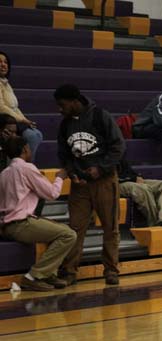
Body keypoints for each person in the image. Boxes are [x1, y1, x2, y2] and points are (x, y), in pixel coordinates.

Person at [54, 84, 125, 286]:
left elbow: (118, 146)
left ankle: (111, 270)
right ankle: (69, 272)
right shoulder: (64, 125)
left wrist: (100, 168)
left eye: (62, 105)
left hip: (104, 180)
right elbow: (64, 154)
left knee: (110, 227)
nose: (60, 109)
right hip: (80, 184)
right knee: (75, 228)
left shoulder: (100, 116)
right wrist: (72, 172)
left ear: (75, 101)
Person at [0, 136, 76, 291]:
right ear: (25, 149)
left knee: (54, 230)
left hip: (8, 225)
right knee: (68, 235)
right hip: (21, 224)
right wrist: (59, 178)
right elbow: (52, 193)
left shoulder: (4, 173)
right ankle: (34, 276)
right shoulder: (27, 168)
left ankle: (48, 274)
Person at [0, 52, 43, 160]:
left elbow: (15, 107)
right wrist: (23, 121)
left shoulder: (6, 84)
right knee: (32, 136)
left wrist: (26, 120)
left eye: (5, 62)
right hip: (4, 122)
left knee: (36, 134)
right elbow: (1, 107)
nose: (3, 64)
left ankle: (26, 167)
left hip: (14, 120)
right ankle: (23, 167)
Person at [118, 158, 162, 227]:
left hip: (129, 179)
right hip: (115, 184)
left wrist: (136, 176)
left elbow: (126, 168)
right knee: (143, 189)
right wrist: (133, 178)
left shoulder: (118, 150)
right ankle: (155, 224)